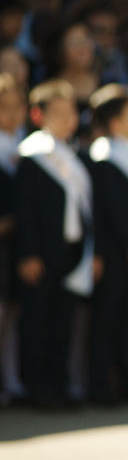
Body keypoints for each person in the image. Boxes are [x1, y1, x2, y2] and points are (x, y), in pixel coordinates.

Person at [15, 79, 96, 407]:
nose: (67, 118)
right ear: (39, 115)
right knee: (37, 321)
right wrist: (28, 253)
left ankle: (61, 385)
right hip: (42, 252)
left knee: (63, 322)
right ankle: (37, 387)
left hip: (71, 250)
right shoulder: (34, 155)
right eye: (58, 112)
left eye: (71, 111)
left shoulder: (75, 155)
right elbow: (27, 211)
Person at [87, 84, 128, 402]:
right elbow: (111, 209)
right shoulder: (103, 155)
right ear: (115, 121)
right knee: (108, 318)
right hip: (115, 253)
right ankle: (101, 385)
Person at [0, 74, 27, 406]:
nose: (11, 114)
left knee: (11, 319)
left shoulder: (26, 147)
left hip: (16, 250)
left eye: (16, 107)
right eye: (3, 107)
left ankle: (12, 381)